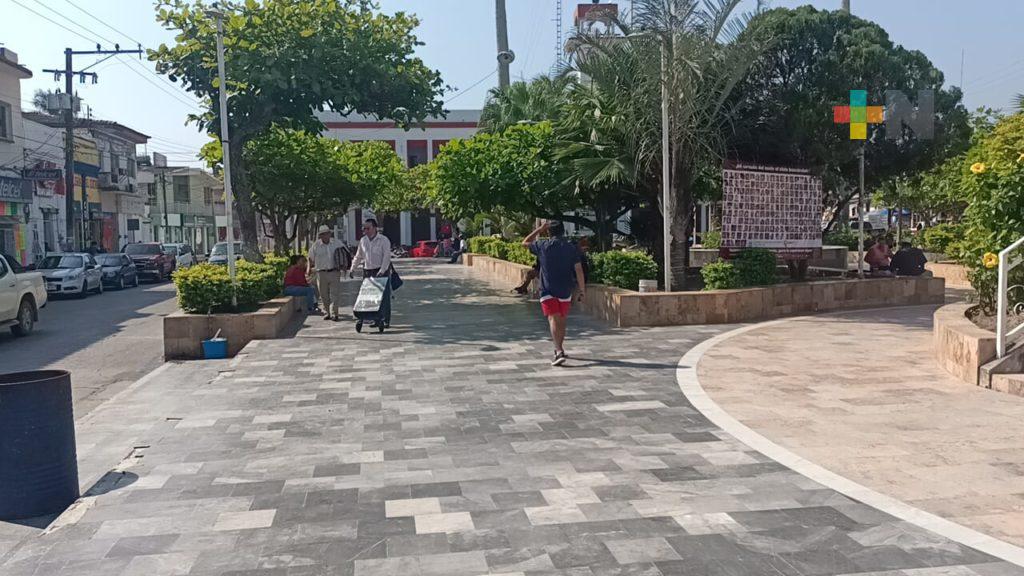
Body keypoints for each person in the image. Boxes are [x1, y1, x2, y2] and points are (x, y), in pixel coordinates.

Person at [522, 220, 586, 366]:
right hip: (566, 289)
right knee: (561, 320)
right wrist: (582, 290)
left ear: (549, 232)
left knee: (553, 319)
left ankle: (558, 351)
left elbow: (524, 243)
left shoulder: (542, 245)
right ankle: (560, 349)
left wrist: (539, 229)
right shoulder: (571, 248)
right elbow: (579, 270)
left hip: (547, 289)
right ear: (563, 231)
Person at [349, 218, 393, 327]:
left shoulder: (383, 240)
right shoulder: (363, 241)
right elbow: (358, 256)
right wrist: (353, 268)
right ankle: (375, 319)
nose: (365, 231)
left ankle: (385, 320)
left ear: (374, 228)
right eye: (364, 229)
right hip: (368, 271)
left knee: (384, 297)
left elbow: (386, 257)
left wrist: (382, 271)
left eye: (368, 228)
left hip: (381, 271)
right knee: (371, 297)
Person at [308, 225, 348, 321]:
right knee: (323, 295)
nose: (325, 236)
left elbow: (345, 253)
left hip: (334, 271)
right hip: (321, 273)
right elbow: (310, 258)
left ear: (330, 234)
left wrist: (345, 266)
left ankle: (334, 313)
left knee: (334, 294)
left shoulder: (337, 243)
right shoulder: (316, 245)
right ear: (320, 236)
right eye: (323, 234)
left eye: (327, 233)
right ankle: (327, 312)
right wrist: (308, 269)